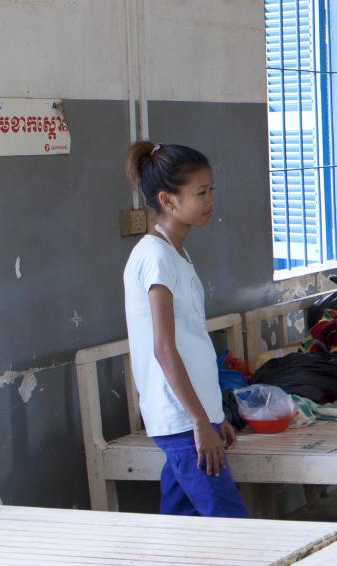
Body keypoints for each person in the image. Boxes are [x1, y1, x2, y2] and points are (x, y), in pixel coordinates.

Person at [121, 141, 249, 518]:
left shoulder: (176, 252)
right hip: (179, 418)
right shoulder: (157, 257)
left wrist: (213, 415)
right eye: (201, 192)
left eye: (211, 191)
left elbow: (188, 342)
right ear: (168, 200)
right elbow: (164, 348)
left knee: (182, 524)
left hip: (190, 414)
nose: (210, 200)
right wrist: (197, 420)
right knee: (231, 525)